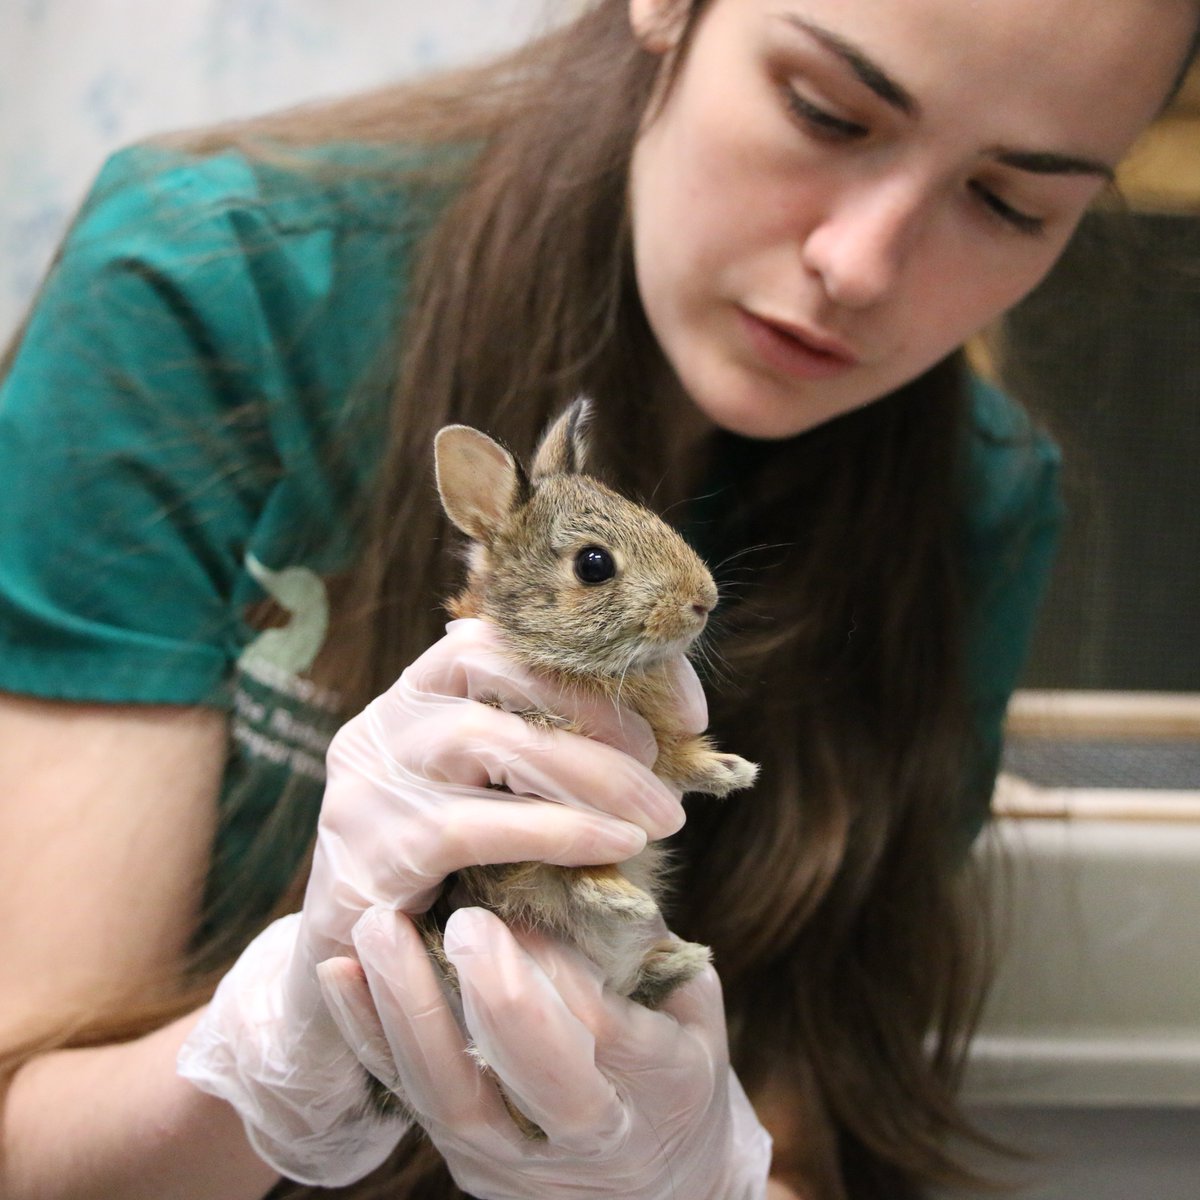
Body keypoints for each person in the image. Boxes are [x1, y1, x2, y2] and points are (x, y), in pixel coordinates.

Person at [0, 0, 1196, 1197]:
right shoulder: (213, 282)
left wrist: (697, 1177)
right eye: (825, 112)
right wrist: (268, 1060)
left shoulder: (973, 495)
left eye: (1011, 202)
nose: (859, 265)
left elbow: (807, 1113)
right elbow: (28, 1144)